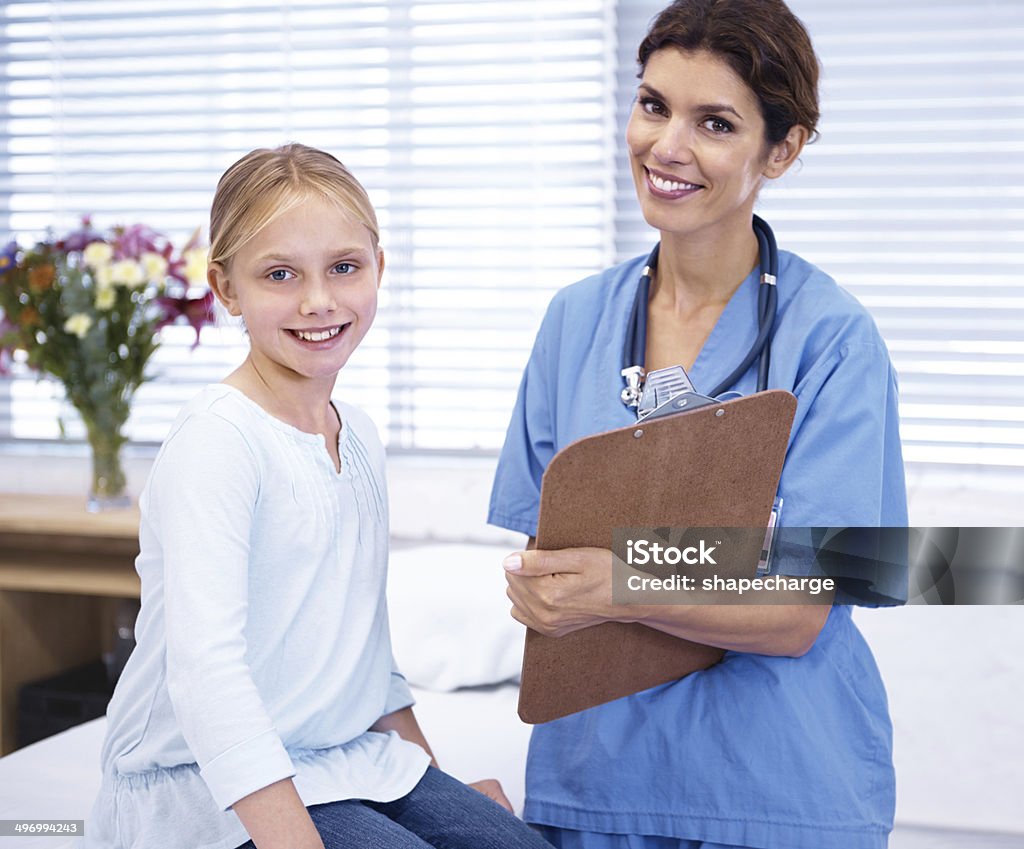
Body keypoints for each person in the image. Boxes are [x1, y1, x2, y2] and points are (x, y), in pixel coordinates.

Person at [488, 2, 907, 849]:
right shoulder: (575, 322)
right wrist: (540, 588)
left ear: (780, 150)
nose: (667, 147)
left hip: (778, 791)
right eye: (653, 105)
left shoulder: (833, 340)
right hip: (593, 787)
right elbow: (550, 556)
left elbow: (800, 609)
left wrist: (621, 580)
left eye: (714, 122)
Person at [88, 144, 554, 849]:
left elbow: (368, 662)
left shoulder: (357, 434)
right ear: (226, 288)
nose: (319, 300)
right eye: (280, 274)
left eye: (344, 267)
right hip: (204, 783)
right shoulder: (219, 443)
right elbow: (207, 676)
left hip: (342, 759)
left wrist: (439, 787)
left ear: (378, 268)